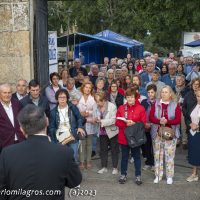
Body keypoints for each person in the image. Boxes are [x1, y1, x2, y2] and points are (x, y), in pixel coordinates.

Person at [0, 105, 82, 200]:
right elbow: (75, 181)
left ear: (21, 129)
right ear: (47, 121)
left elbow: (2, 188)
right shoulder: (64, 152)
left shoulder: (7, 153)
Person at [149, 85, 181, 184]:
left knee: (169, 156)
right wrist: (159, 121)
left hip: (171, 134)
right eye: (162, 92)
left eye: (166, 92)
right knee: (157, 155)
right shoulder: (155, 103)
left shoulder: (175, 104)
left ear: (171, 94)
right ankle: (158, 175)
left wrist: (167, 121)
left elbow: (178, 119)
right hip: (157, 134)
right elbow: (151, 117)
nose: (164, 94)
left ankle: (169, 176)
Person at [115, 88, 146, 185]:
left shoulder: (140, 108)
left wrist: (134, 123)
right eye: (128, 97)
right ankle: (123, 175)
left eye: (132, 97)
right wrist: (125, 124)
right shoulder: (121, 108)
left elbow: (143, 123)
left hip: (135, 138)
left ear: (135, 97)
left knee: (136, 157)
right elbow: (117, 122)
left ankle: (138, 176)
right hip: (124, 137)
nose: (130, 99)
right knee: (124, 157)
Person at [48, 89, 85, 163]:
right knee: (62, 158)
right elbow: (51, 127)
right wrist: (53, 138)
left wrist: (80, 127)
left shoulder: (72, 108)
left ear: (67, 98)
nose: (62, 99)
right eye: (60, 97)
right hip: (60, 136)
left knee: (73, 157)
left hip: (72, 134)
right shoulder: (53, 112)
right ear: (57, 99)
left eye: (64, 97)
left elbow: (79, 118)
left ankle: (73, 174)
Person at [94, 92, 119, 175]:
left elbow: (113, 120)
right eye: (96, 101)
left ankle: (115, 168)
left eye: (99, 101)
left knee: (114, 150)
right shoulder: (95, 106)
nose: (97, 103)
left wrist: (101, 121)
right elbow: (95, 116)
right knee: (103, 150)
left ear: (104, 100)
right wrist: (95, 119)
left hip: (112, 131)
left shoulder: (112, 106)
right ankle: (104, 167)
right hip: (101, 132)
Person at [77, 81, 97, 169]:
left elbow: (96, 110)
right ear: (83, 88)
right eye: (86, 87)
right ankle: (81, 161)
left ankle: (88, 161)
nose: (88, 89)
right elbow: (74, 109)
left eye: (89, 88)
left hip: (90, 121)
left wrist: (88, 112)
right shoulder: (78, 97)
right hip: (81, 123)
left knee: (89, 143)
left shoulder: (93, 98)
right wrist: (80, 113)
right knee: (81, 143)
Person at [0, 83, 25, 152]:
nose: (7, 95)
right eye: (4, 93)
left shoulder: (17, 103)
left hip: (20, 141)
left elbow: (23, 120)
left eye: (9, 92)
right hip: (5, 143)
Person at [141, 84, 157, 170]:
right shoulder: (144, 102)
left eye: (152, 92)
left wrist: (152, 124)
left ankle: (154, 163)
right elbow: (141, 114)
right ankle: (148, 162)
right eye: (149, 92)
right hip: (145, 126)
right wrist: (145, 123)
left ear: (155, 92)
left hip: (155, 126)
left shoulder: (158, 102)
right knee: (146, 145)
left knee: (154, 146)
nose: (150, 94)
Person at [186, 89, 200, 182]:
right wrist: (190, 124)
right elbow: (187, 117)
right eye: (198, 96)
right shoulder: (193, 105)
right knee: (194, 154)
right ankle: (194, 174)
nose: (199, 98)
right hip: (193, 134)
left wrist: (198, 126)